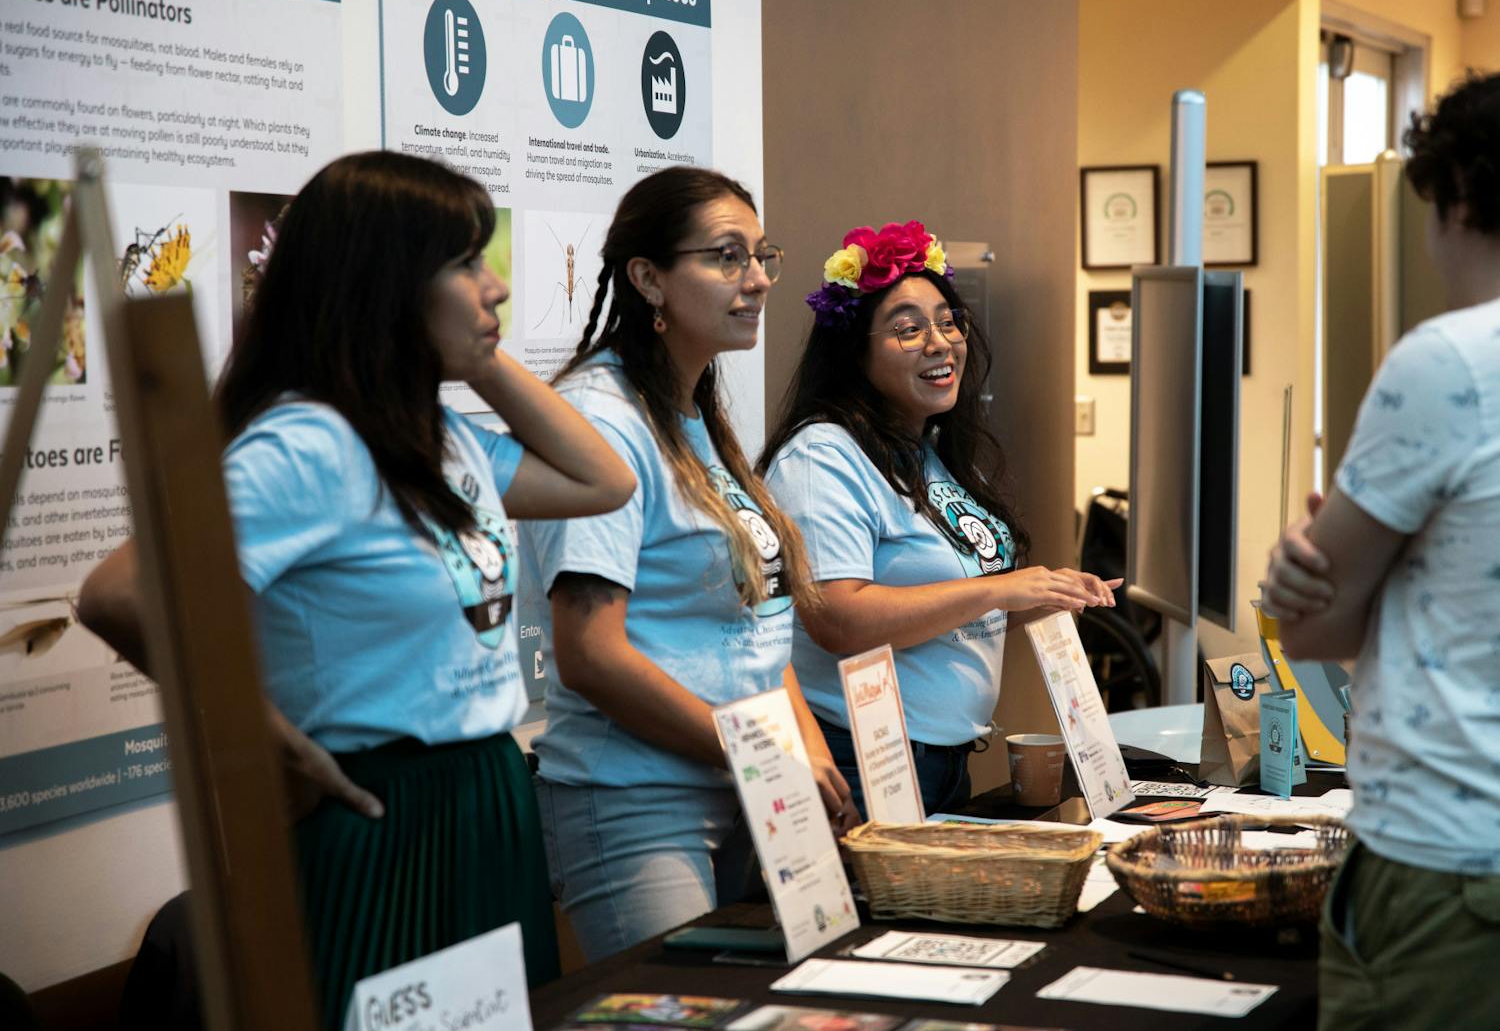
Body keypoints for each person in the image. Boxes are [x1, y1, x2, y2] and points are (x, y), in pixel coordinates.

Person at [78, 151, 635, 1029]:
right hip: (379, 808)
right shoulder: (312, 441)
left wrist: (480, 359)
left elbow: (603, 478)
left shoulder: (431, 431)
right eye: (465, 264)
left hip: (481, 795)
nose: (494, 287)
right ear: (387, 281)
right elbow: (118, 594)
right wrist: (264, 739)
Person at [521, 166, 856, 962]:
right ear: (648, 279)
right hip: (635, 795)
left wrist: (800, 746)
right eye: (727, 257)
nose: (760, 279)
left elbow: (755, 626)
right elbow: (590, 655)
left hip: (747, 781)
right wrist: (759, 751)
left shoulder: (696, 412)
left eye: (762, 255)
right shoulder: (601, 417)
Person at [1262, 70, 1500, 1031]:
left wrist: (1309, 573)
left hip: (1449, 861)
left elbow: (1311, 626)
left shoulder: (1450, 362)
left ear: (1452, 201)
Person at [758, 221, 1117, 815]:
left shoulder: (925, 449)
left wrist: (1037, 594)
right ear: (854, 352)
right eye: (908, 329)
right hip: (861, 758)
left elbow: (942, 590)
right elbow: (837, 618)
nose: (939, 342)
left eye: (949, 321)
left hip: (942, 761)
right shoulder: (823, 456)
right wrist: (996, 591)